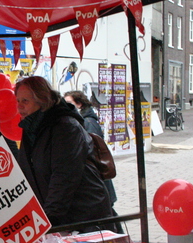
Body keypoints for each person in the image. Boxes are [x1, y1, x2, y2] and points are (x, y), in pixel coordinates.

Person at [15, 76, 112, 231]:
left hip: (83, 217)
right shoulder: (31, 128)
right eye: (18, 101)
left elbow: (64, 177)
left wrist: (49, 222)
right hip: (57, 217)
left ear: (42, 100)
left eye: (25, 101)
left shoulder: (66, 126)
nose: (19, 107)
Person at [64, 90, 119, 228]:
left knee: (107, 217)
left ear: (79, 104)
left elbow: (89, 150)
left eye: (70, 103)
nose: (66, 107)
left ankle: (119, 240)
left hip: (97, 179)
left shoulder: (87, 122)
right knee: (108, 216)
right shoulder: (82, 120)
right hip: (96, 181)